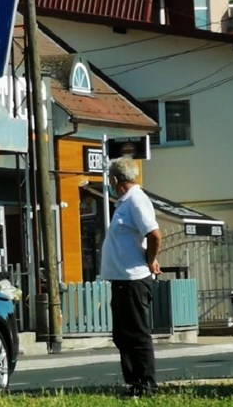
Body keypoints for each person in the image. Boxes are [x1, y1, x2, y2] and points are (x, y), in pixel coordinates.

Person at [100, 156, 162, 397]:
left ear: (115, 179)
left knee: (136, 334)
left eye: (110, 179)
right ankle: (134, 382)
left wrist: (149, 259)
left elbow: (154, 234)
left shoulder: (136, 200)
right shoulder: (125, 203)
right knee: (122, 335)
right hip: (122, 281)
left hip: (134, 280)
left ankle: (146, 384)